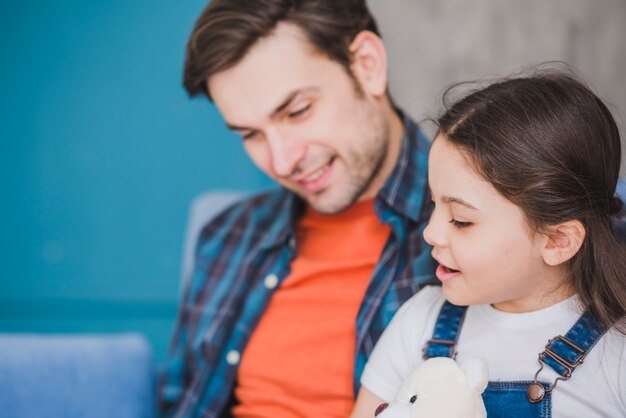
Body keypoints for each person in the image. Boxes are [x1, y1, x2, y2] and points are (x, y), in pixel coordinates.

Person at [158, 1, 436, 416]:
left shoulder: (473, 231)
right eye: (250, 134)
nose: (283, 162)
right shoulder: (227, 235)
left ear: (367, 65)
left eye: (297, 111)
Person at [351, 71, 626, 417]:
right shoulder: (418, 323)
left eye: (461, 220)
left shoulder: (616, 357)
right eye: (433, 204)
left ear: (557, 240)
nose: (430, 233)